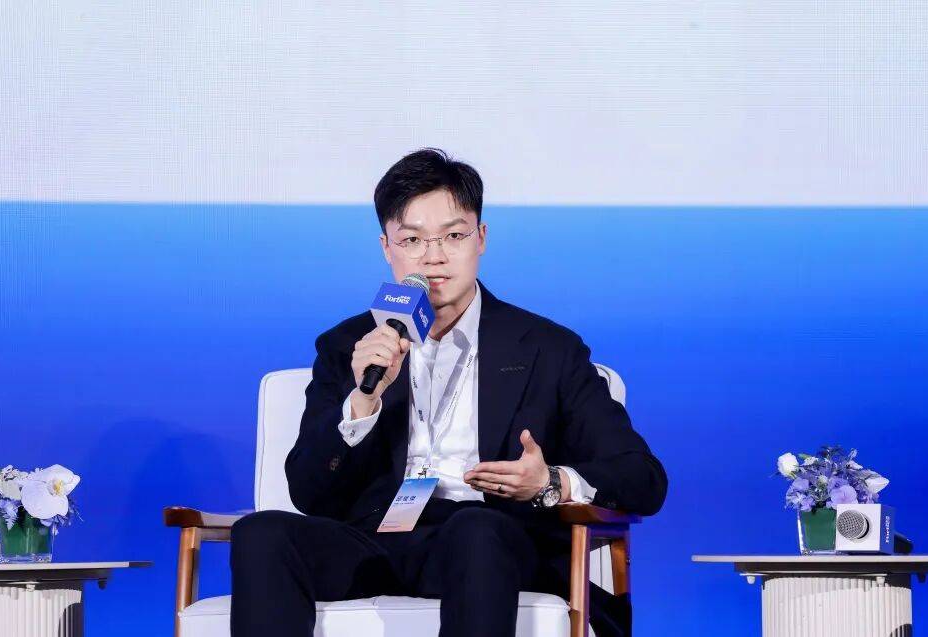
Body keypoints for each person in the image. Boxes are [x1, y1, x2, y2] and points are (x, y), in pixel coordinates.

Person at [230, 148, 667, 637]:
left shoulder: (548, 348)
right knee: (261, 532)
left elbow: (643, 477)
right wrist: (363, 402)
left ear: (481, 239)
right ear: (387, 247)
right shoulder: (349, 345)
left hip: (489, 539)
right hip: (375, 540)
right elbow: (309, 492)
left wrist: (548, 482)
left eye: (453, 236)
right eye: (412, 240)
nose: (433, 256)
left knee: (474, 531)